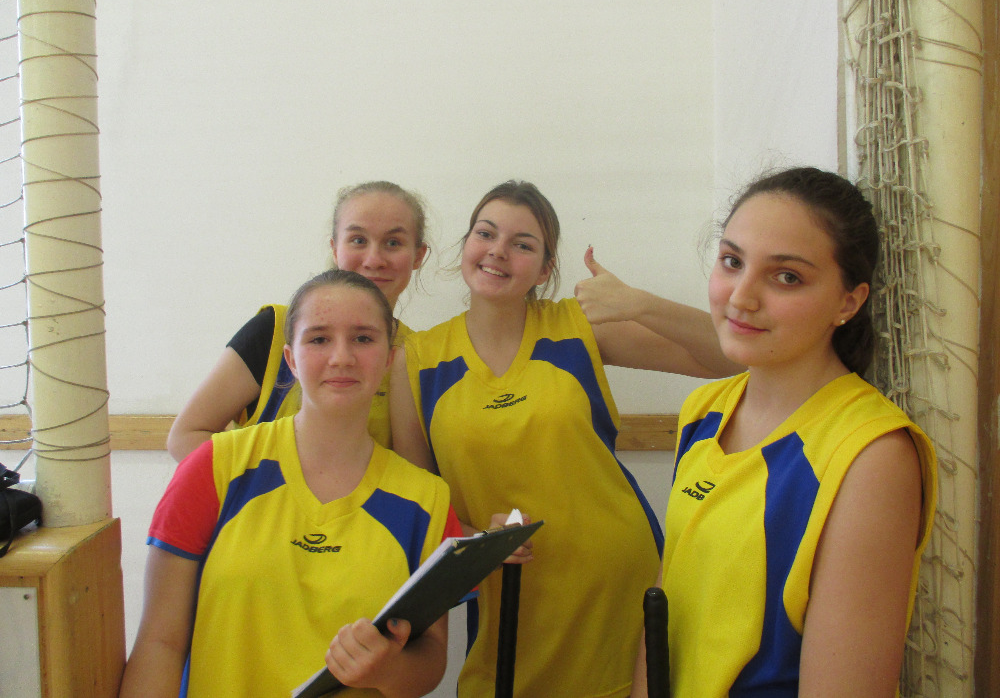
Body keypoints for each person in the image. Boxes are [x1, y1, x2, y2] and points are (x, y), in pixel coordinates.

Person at [389, 180, 740, 698]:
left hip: (616, 587)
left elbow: (729, 354)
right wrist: (476, 539)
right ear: (465, 245)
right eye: (486, 233)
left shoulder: (577, 328)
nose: (498, 251)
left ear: (545, 269)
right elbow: (419, 508)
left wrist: (637, 303)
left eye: (522, 244)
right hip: (511, 602)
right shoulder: (416, 359)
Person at [626, 167, 937, 697]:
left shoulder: (871, 455)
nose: (741, 297)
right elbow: (668, 602)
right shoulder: (705, 411)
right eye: (732, 261)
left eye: (786, 277)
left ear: (849, 301)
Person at [120, 270, 462, 698]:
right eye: (319, 339)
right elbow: (159, 644)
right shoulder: (213, 468)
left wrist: (388, 669)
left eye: (363, 338)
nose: (342, 357)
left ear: (390, 359)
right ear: (291, 359)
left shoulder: (427, 500)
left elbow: (431, 659)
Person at [166, 181, 429, 460]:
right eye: (358, 240)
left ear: (418, 256)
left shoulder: (419, 356)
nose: (374, 259)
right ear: (335, 248)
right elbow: (186, 437)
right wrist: (278, 483)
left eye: (393, 243)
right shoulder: (273, 330)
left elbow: (412, 471)